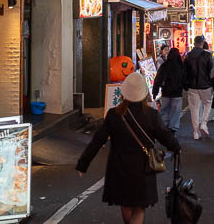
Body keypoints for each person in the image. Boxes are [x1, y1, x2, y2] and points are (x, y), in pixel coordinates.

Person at [77, 72, 180, 224]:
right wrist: (176, 147)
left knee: (126, 203)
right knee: (139, 207)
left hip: (119, 168)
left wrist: (83, 164)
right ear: (143, 94)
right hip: (143, 168)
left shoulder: (114, 115)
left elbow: (97, 140)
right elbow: (165, 136)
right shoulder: (151, 114)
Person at [184, 35, 214, 139]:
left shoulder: (188, 56)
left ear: (194, 43)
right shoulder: (207, 55)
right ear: (202, 43)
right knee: (208, 103)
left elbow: (185, 72)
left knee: (194, 109)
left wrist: (186, 85)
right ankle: (204, 122)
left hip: (192, 86)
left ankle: (196, 132)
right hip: (205, 85)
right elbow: (212, 71)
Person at [151, 48, 184, 132]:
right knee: (175, 112)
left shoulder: (165, 65)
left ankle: (163, 127)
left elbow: (158, 79)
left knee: (164, 110)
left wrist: (155, 92)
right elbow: (186, 79)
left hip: (166, 92)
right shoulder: (181, 66)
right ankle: (173, 128)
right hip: (177, 93)